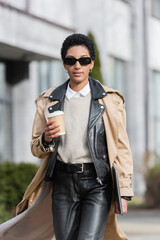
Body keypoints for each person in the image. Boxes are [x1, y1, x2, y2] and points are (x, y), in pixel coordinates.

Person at [0, 33, 133, 240]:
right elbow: (35, 148)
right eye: (71, 60)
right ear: (64, 64)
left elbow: (122, 148)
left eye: (84, 60)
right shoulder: (49, 100)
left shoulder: (110, 101)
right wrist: (45, 139)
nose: (77, 65)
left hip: (98, 183)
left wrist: (124, 191)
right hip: (62, 183)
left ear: (91, 64)